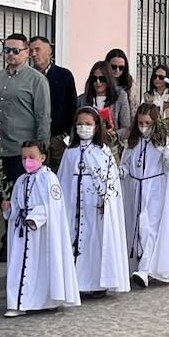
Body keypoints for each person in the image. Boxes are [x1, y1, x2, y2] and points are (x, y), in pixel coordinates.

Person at [58, 106, 129, 297]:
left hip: (95, 205)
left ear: (97, 126)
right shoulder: (70, 152)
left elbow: (111, 182)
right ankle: (75, 282)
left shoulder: (103, 151)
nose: (84, 127)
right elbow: (63, 179)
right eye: (80, 124)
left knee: (95, 241)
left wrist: (106, 202)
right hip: (74, 203)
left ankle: (97, 283)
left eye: (88, 124)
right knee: (74, 238)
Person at [3, 138, 79, 315]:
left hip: (41, 232)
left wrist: (35, 218)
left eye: (32, 157)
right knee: (18, 265)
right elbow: (17, 204)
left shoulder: (48, 178)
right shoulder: (21, 180)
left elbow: (53, 206)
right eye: (24, 158)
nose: (27, 161)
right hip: (22, 232)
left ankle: (44, 300)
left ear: (42, 157)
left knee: (41, 266)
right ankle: (17, 303)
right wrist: (9, 208)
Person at [121, 104, 169, 286]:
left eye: (147, 123)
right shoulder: (133, 142)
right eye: (140, 123)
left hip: (155, 190)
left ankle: (145, 269)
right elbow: (127, 162)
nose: (144, 127)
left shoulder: (162, 143)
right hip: (136, 189)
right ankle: (138, 265)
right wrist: (123, 171)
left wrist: (167, 158)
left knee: (149, 228)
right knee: (136, 227)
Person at [0, 32, 51, 212]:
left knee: (21, 203)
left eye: (16, 50)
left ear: (27, 52)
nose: (11, 54)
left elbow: (43, 116)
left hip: (21, 153)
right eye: (7, 50)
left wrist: (40, 150)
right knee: (2, 201)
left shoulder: (37, 80)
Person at [29, 35, 77, 161]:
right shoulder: (28, 78)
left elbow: (72, 107)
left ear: (49, 51)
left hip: (58, 139)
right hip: (33, 140)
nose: (33, 54)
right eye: (31, 51)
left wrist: (66, 134)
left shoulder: (64, 75)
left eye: (37, 49)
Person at [80, 58, 131, 140]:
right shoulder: (82, 99)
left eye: (102, 79)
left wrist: (114, 134)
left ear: (108, 79)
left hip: (111, 144)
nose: (98, 82)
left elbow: (126, 128)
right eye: (94, 79)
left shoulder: (120, 96)